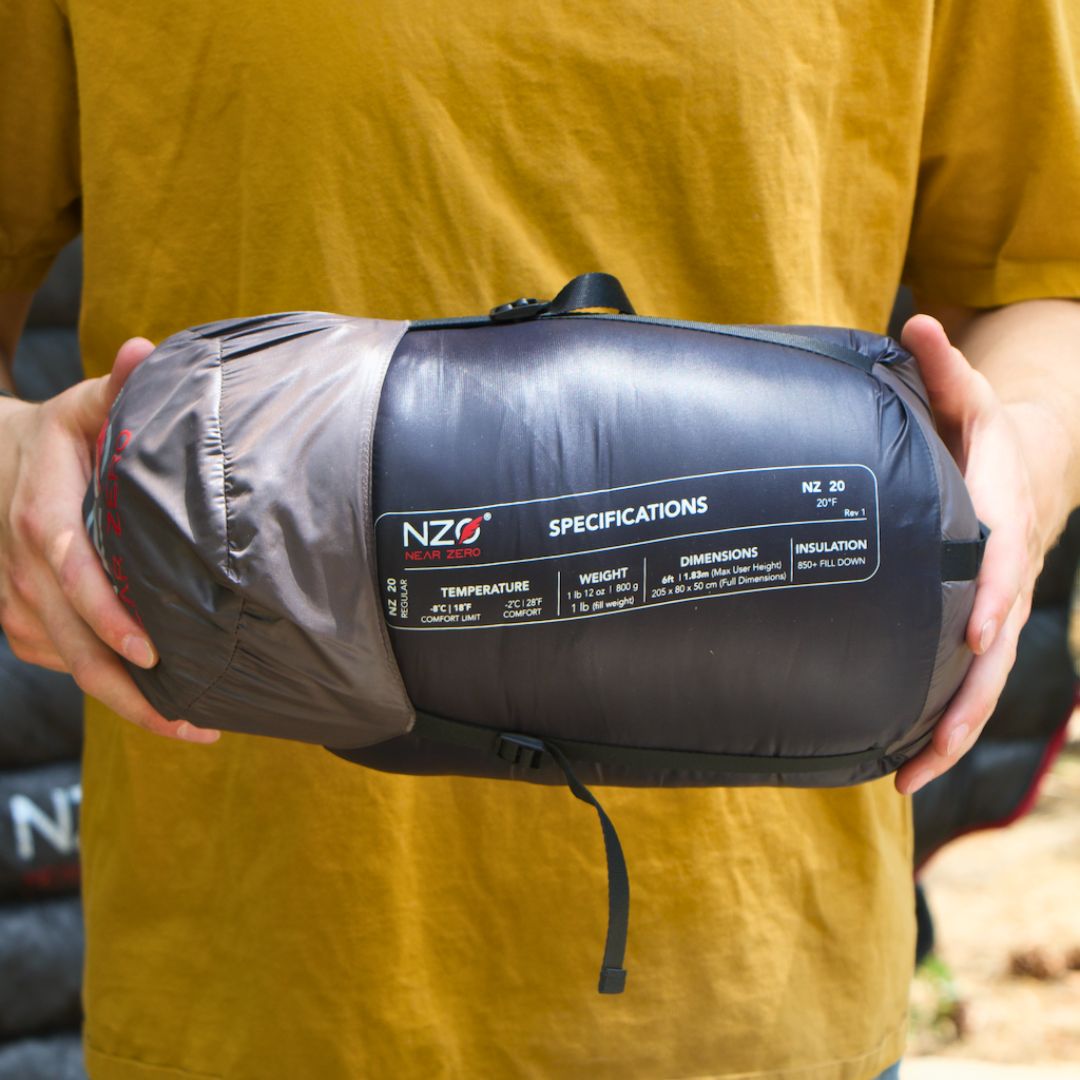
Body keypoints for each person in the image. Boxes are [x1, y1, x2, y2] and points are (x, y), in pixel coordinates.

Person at [1, 2, 1078, 1078]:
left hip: (757, 996)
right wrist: (12, 471)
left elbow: (1048, 281)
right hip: (254, 988)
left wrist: (1020, 466)